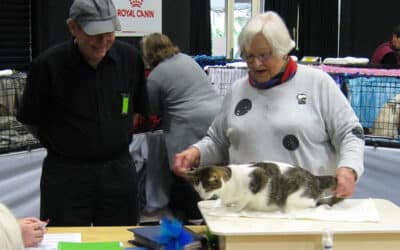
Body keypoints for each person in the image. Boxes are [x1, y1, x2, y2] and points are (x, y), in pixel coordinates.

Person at [173, 11, 364, 199]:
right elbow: (218, 140)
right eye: (248, 56)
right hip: (247, 206)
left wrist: (348, 168)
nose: (256, 64)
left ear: (283, 51)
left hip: (307, 207)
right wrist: (196, 153)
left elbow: (349, 132)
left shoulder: (318, 83)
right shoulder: (237, 91)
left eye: (264, 55)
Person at [16, 0, 148, 226]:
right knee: (65, 239)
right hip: (66, 175)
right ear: (73, 27)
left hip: (118, 172)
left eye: (109, 33)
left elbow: (136, 109)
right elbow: (31, 120)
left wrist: (111, 135)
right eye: (95, 34)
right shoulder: (48, 66)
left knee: (121, 237)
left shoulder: (129, 59)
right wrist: (67, 142)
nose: (103, 42)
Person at [140, 33, 223, 223]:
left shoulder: (156, 75)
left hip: (187, 122)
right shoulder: (186, 59)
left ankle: (192, 218)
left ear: (148, 53)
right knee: (209, 168)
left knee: (182, 170)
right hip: (216, 115)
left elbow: (151, 109)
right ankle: (212, 213)